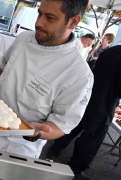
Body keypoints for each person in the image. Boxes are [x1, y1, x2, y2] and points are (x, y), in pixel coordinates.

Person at [0, 0, 93, 159]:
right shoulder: (24, 39)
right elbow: (4, 65)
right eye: (39, 13)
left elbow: (62, 123)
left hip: (16, 149)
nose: (39, 23)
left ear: (73, 21)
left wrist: (38, 132)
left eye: (50, 17)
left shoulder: (79, 74)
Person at [47, 45, 121, 180]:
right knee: (91, 139)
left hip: (87, 94)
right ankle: (75, 169)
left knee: (73, 125)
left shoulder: (112, 50)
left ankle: (54, 149)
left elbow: (96, 68)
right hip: (104, 104)